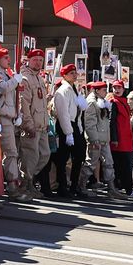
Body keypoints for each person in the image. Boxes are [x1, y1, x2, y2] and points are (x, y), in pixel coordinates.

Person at [0, 47, 28, 201]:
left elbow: (12, 97)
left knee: (11, 152)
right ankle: (11, 185)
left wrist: (17, 114)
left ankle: (9, 183)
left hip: (8, 117)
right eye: (5, 58)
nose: (8, 60)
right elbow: (1, 88)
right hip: (1, 117)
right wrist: (14, 80)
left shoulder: (6, 74)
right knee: (10, 152)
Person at [16, 49, 51, 200]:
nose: (38, 62)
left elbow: (43, 104)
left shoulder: (39, 79)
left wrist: (47, 120)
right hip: (32, 126)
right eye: (35, 59)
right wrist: (28, 124)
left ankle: (28, 179)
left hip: (42, 125)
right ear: (29, 61)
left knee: (44, 154)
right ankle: (26, 184)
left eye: (40, 60)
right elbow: (24, 104)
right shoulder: (25, 78)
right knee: (30, 156)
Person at [83, 81, 124, 199]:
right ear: (96, 91)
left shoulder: (103, 102)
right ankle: (81, 186)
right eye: (103, 90)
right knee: (90, 163)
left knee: (109, 163)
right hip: (96, 139)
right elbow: (90, 124)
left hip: (104, 139)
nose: (106, 92)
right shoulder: (92, 103)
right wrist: (93, 139)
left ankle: (112, 188)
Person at [49, 64, 84, 198]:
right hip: (66, 126)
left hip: (74, 125)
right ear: (64, 75)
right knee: (62, 159)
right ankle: (62, 187)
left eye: (75, 72)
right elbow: (63, 113)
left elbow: (77, 112)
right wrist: (68, 133)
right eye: (71, 73)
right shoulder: (63, 90)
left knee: (78, 156)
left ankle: (74, 186)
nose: (74, 75)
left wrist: (78, 128)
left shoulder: (74, 89)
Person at [107, 79, 133, 195]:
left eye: (119, 88)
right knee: (122, 165)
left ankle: (125, 188)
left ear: (123, 89)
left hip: (126, 138)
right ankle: (127, 189)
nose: (116, 90)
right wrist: (114, 139)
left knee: (126, 164)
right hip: (119, 139)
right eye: (114, 88)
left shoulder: (124, 101)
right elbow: (111, 121)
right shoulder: (113, 102)